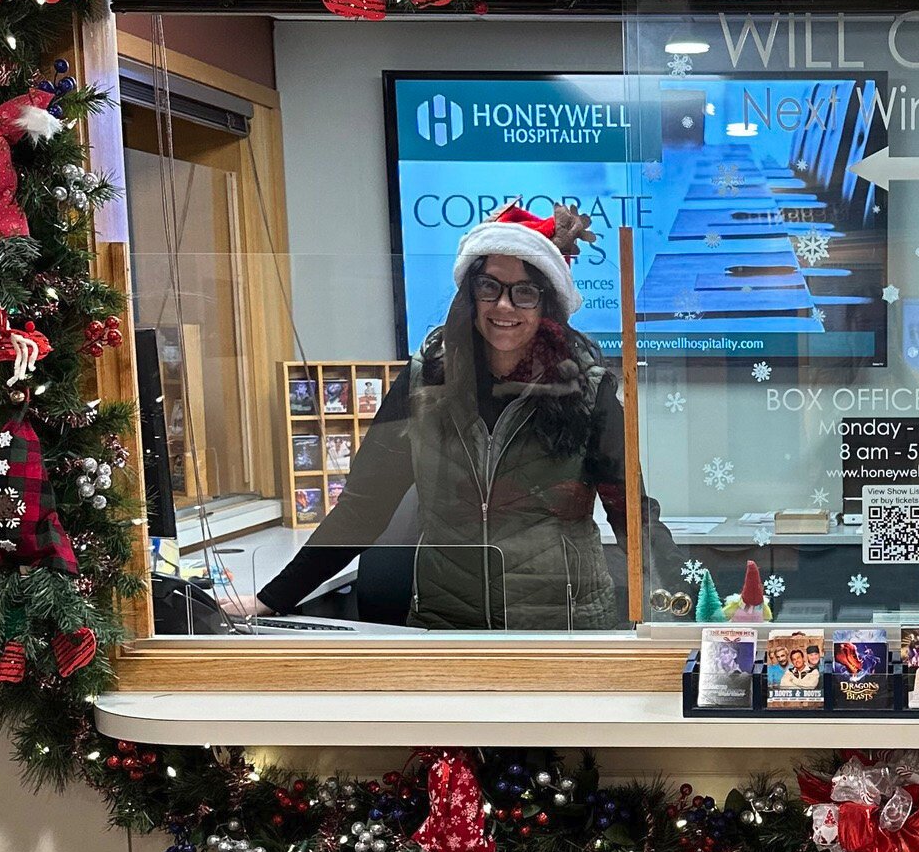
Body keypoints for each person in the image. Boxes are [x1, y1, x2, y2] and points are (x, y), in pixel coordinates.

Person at [223, 202, 678, 630]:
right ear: (470, 294)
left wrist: (685, 607)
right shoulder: (426, 383)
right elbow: (364, 506)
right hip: (446, 624)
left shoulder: (586, 389)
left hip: (564, 624)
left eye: (524, 293)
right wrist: (272, 598)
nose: (504, 306)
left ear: (548, 305)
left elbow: (632, 517)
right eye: (489, 287)